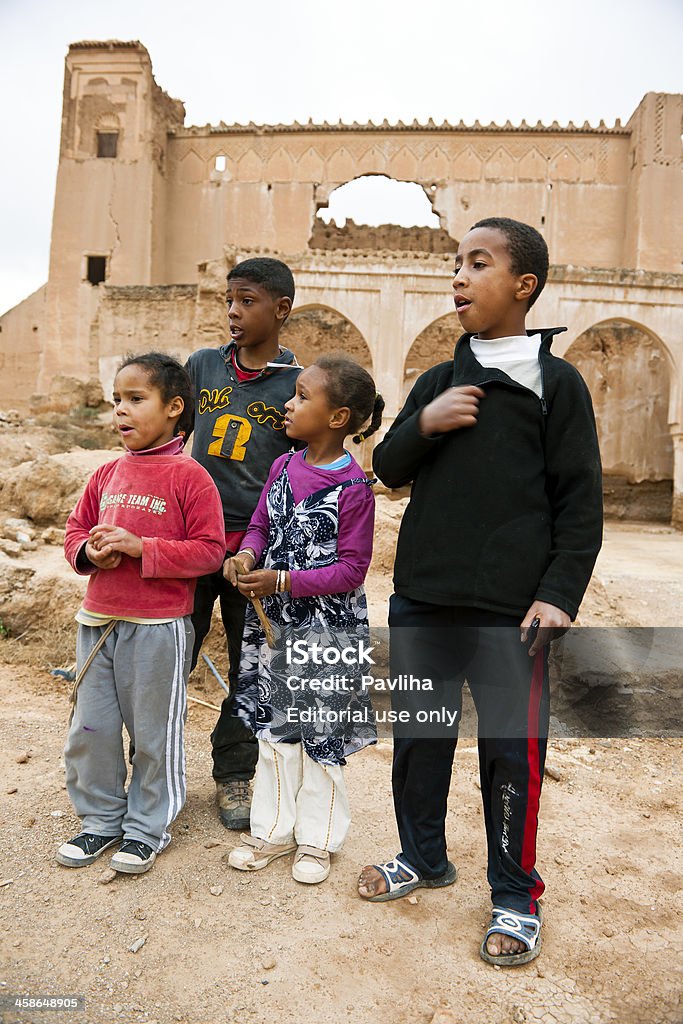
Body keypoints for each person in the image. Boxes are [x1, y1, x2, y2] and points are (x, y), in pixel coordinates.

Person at [357, 217, 603, 966]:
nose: (457, 276)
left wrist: (559, 594)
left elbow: (578, 502)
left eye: (477, 263)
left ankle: (513, 894)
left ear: (522, 285)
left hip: (513, 613)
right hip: (424, 599)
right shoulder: (437, 379)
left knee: (510, 755)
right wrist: (423, 423)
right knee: (420, 743)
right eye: (455, 263)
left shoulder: (554, 386)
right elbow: (389, 468)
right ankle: (422, 857)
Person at [56, 353, 225, 875]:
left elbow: (209, 552)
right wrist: (91, 553)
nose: (121, 412)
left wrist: (141, 547)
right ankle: (101, 820)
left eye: (135, 399)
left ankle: (146, 827)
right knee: (93, 727)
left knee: (153, 734)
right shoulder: (106, 473)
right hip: (98, 624)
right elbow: (73, 534)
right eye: (116, 401)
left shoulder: (191, 478)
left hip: (159, 631)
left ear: (175, 407)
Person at [223, 356, 384, 884]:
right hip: (276, 625)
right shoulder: (284, 465)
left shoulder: (355, 488)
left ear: (337, 417)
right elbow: (260, 525)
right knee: (275, 730)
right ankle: (272, 830)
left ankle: (318, 840)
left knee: (321, 734)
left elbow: (352, 570)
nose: (288, 404)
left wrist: (282, 580)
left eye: (301, 396)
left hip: (326, 629)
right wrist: (247, 557)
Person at [185, 258, 302, 830]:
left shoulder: (297, 386)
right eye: (229, 299)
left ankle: (234, 773)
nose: (233, 310)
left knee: (248, 668)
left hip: (252, 553)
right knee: (168, 658)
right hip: (189, 544)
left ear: (281, 309)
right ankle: (152, 767)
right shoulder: (203, 367)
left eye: (247, 300)